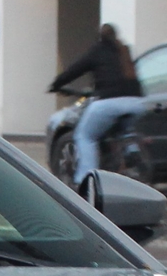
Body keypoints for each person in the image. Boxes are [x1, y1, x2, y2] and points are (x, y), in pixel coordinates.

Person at [48, 23, 142, 190]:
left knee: (85, 136)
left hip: (108, 102)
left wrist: (56, 84)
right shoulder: (124, 50)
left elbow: (76, 69)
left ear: (100, 36)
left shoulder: (98, 50)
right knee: (123, 130)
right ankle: (131, 151)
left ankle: (85, 179)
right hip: (136, 102)